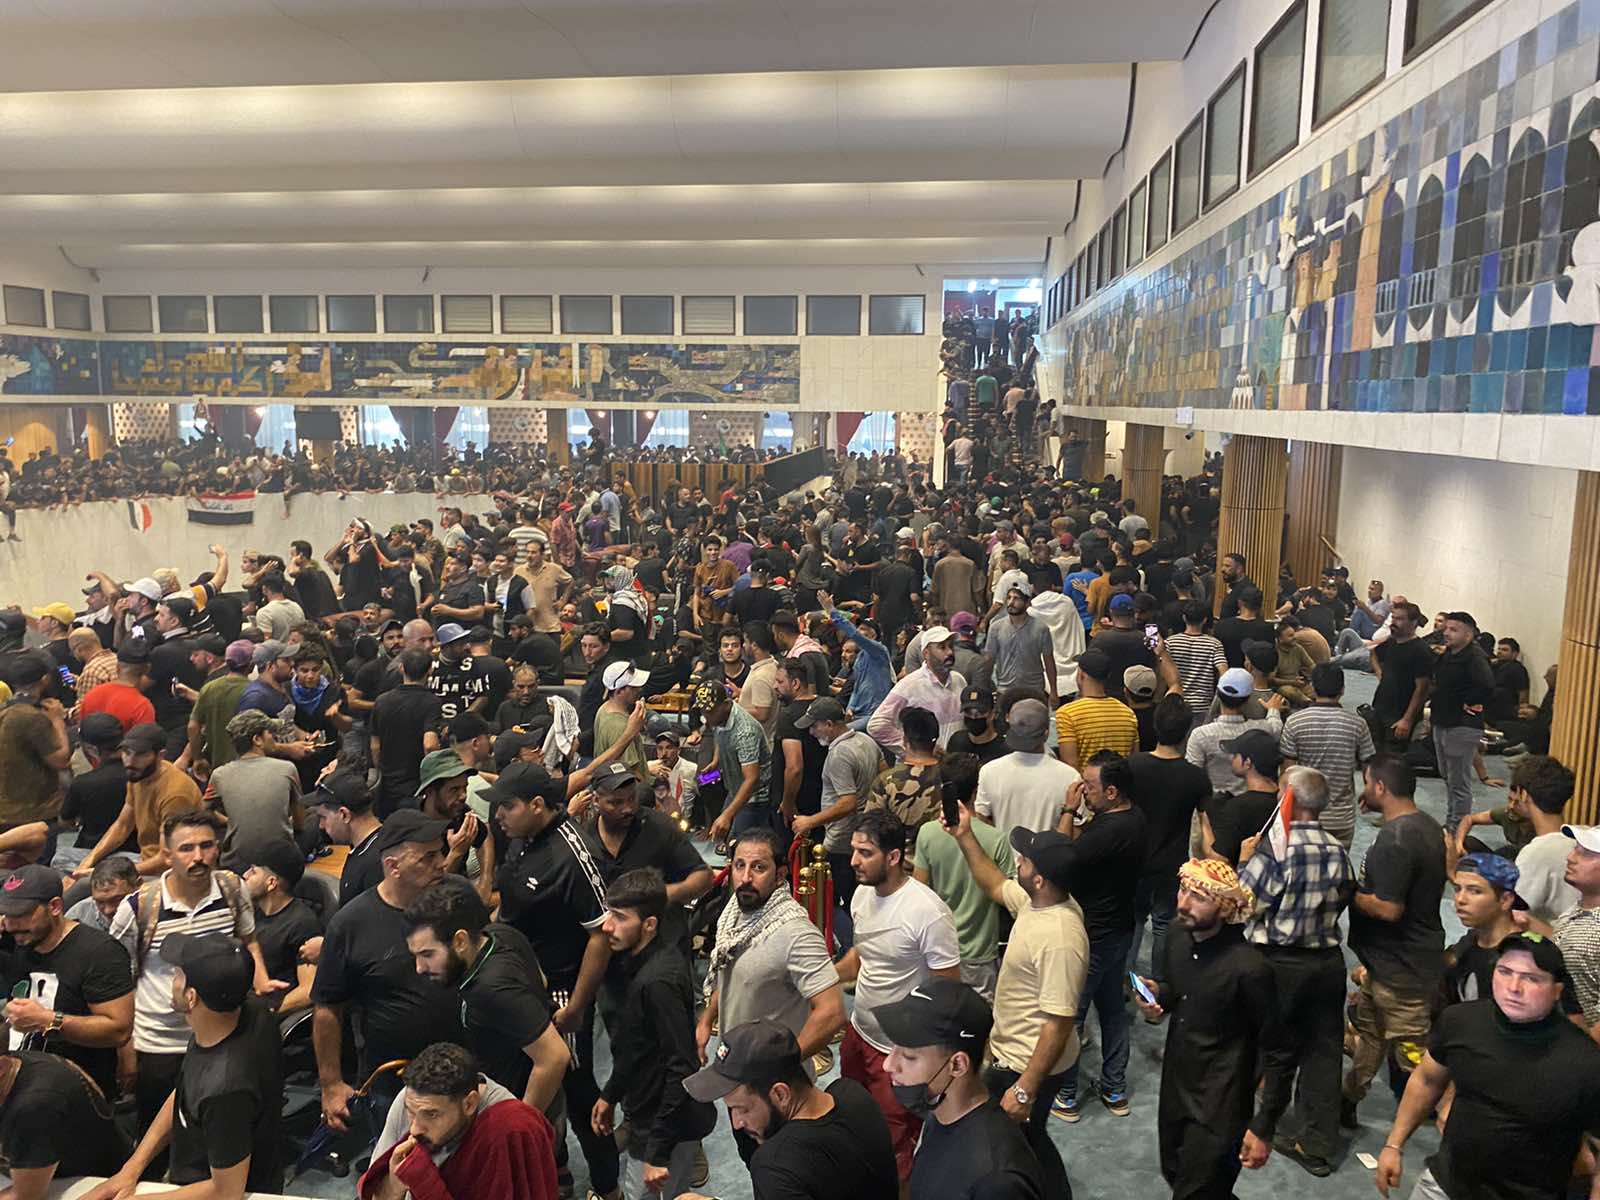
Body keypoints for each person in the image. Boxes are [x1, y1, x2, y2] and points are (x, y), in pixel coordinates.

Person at [482, 761, 620, 1200]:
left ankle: (608, 1188)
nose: (498, 816)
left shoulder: (572, 855)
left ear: (537, 805)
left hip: (561, 989)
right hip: (522, 981)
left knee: (578, 1094)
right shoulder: (520, 838)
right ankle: (554, 1175)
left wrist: (577, 1005)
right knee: (529, 1083)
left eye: (507, 807)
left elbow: (602, 935)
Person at [1375, 935, 1600, 1200]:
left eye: (1531, 978)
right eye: (1505, 972)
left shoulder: (1585, 1062)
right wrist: (1394, 1145)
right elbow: (1427, 1080)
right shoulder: (1461, 1021)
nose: (1513, 987)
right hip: (1445, 1185)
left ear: (1557, 990)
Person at [944, 800, 1085, 1193]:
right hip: (1013, 1054)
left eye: (1025, 860)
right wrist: (964, 834)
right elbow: (993, 883)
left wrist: (1024, 1089)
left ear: (1039, 879)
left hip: (1026, 1063)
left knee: (1018, 1144)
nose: (1018, 861)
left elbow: (1059, 1023)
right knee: (1026, 1139)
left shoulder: (1060, 937)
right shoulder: (1038, 902)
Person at [1131, 858, 1293, 1198]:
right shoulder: (1178, 935)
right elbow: (1179, 991)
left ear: (1225, 908)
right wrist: (1159, 994)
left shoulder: (1250, 969)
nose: (1183, 903)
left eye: (1199, 897)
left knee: (1197, 1191)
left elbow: (1279, 1051)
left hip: (1221, 1104)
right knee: (1175, 1172)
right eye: (1182, 890)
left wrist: (1263, 1126)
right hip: (1176, 1087)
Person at [86, 934, 285, 1200]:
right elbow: (186, 1093)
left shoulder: (225, 1088)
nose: (171, 979)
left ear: (191, 997)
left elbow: (226, 1191)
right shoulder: (245, 1014)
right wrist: (131, 1168)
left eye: (178, 974)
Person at [311, 809, 467, 1135]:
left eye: (440, 852)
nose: (442, 862)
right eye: (427, 857)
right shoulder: (351, 924)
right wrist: (331, 1084)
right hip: (393, 1084)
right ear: (393, 866)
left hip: (464, 1069)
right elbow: (327, 1008)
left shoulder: (458, 898)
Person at [697, 825, 846, 1159]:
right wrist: (707, 1019)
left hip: (778, 1093)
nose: (745, 877)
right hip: (739, 1075)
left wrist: (782, 1065)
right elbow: (728, 972)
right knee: (753, 1160)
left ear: (780, 875)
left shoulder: (795, 933)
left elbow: (832, 1012)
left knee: (782, 1168)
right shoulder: (735, 914)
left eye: (759, 867)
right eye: (739, 865)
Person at [1237, 765, 1355, 1178]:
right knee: (1324, 1051)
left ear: (1288, 798)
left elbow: (1244, 904)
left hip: (1278, 962)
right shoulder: (1337, 849)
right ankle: (1316, 1144)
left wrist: (1244, 861)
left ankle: (1251, 1125)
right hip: (1326, 962)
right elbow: (1344, 894)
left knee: (1265, 1045)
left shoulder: (1276, 851)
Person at [834, 810, 961, 1183]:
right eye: (854, 850)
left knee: (894, 1151)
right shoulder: (862, 895)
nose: (853, 861)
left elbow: (947, 991)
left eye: (865, 853)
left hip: (899, 1053)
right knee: (853, 1122)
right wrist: (822, 979)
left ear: (893, 857)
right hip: (859, 1033)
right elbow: (863, 955)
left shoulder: (928, 913)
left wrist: (923, 1058)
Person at [593, 869, 718, 1200]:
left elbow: (682, 1067)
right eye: (609, 913)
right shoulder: (635, 963)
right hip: (646, 1109)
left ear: (649, 924)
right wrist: (611, 1094)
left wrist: (658, 1152)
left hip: (666, 1124)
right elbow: (636, 1047)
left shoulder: (658, 982)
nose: (607, 926)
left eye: (620, 917)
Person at [403, 876, 570, 1114]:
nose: (419, 967)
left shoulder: (491, 989)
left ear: (460, 941)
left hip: (522, 1103)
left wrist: (521, 1123)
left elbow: (554, 1057)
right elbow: (540, 979)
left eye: (428, 954)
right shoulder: (500, 933)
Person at [681, 1019, 899, 1200]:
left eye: (742, 1109)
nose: (737, 1123)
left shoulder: (774, 1167)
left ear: (780, 1094)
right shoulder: (852, 1093)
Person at [1342, 754, 1446, 1126]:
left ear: (1380, 787)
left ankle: (1438, 1118)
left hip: (1404, 971)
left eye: (1367, 782)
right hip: (1390, 964)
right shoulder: (1427, 825)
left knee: (1414, 1056)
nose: (1364, 790)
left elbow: (1388, 908)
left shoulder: (1396, 838)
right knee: (1370, 1036)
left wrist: (1349, 892)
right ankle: (1347, 1102)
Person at [875, 979, 1045, 1200]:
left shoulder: (996, 1180)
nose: (888, 1064)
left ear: (957, 1065)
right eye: (894, 1048)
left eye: (909, 1056)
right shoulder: (939, 1109)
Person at [1048, 751, 1147, 1121]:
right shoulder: (1134, 817)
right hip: (1120, 928)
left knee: (1071, 1015)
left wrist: (1068, 810)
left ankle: (1067, 1095)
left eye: (1089, 785)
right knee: (1113, 1010)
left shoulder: (1107, 831)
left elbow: (1059, 861)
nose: (1082, 790)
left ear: (1111, 791)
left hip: (1091, 935)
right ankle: (1114, 1088)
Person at [361, 1041, 561, 1200]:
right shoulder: (411, 1099)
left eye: (432, 1115)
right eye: (411, 1113)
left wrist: (424, 1182)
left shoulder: (510, 1130)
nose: (414, 1129)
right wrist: (394, 1183)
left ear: (469, 1104)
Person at [0, 863, 133, 1097]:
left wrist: (48, 1020)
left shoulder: (100, 953)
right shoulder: (20, 938)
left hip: (75, 1092)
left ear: (54, 906)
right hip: (19, 1082)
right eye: (7, 915)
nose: (11, 924)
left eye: (21, 914)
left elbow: (118, 1030)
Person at [1126, 696, 1211, 981]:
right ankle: (1160, 983)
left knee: (1133, 922)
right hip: (1172, 862)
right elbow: (1206, 825)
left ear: (1155, 725)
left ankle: (1124, 981)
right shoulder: (1196, 777)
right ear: (1186, 732)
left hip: (1135, 858)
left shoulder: (1133, 766)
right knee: (1164, 923)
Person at [793, 696, 884, 942]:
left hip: (841, 840)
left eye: (815, 726)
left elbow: (847, 802)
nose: (811, 732)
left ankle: (852, 947)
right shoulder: (866, 740)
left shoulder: (838, 755)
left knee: (834, 903)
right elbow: (884, 776)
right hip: (863, 834)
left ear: (830, 725)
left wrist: (810, 821)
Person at [73, 722, 203, 881]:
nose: (130, 761)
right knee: (64, 861)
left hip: (167, 874)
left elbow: (168, 858)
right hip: (142, 860)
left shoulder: (175, 794)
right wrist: (87, 862)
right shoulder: (138, 775)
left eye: (140, 754)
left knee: (84, 886)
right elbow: (123, 825)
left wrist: (105, 873)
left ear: (160, 755)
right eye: (126, 752)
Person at [0, 1049, 130, 1198]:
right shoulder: (16, 1062)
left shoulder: (35, 1106)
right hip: (43, 1170)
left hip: (93, 1184)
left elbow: (25, 1196)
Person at [1279, 662, 1375, 847]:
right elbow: (1367, 766)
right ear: (1342, 690)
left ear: (1312, 688)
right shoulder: (1358, 724)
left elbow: (1288, 772)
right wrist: (1369, 795)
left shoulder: (1294, 722)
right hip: (1341, 817)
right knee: (1339, 861)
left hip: (1303, 814)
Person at [206, 709, 303, 868]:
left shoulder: (219, 775)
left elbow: (204, 811)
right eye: (269, 733)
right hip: (279, 864)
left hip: (234, 864)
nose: (274, 737)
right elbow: (300, 823)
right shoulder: (287, 769)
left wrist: (231, 822)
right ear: (257, 740)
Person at [973, 697, 1080, 835]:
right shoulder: (1070, 777)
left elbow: (981, 817)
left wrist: (1001, 839)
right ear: (1046, 734)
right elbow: (1077, 828)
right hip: (1052, 849)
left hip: (1004, 849)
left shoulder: (989, 771)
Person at [1430, 611, 1495, 828]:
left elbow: (1487, 685)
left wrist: (1468, 702)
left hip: (1461, 725)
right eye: (1447, 628)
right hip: (1442, 721)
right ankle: (1451, 822)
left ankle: (1457, 828)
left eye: (1453, 630)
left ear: (1468, 635)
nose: (1446, 633)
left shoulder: (1475, 658)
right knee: (1448, 776)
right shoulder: (1449, 654)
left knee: (1458, 782)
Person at [241, 840, 320, 1013]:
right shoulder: (251, 913)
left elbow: (308, 990)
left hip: (269, 1010)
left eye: (253, 871)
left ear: (271, 883)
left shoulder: (302, 924)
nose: (245, 875)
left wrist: (265, 1012)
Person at [693, 680, 775, 843]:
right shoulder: (718, 717)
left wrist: (727, 816)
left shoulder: (745, 732)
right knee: (701, 781)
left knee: (736, 842)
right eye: (702, 710)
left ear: (725, 705)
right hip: (734, 786)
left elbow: (751, 779)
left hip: (754, 795)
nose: (705, 716)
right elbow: (720, 732)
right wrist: (716, 761)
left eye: (709, 711)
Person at [1184, 668, 1283, 795]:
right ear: (1248, 699)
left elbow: (1192, 775)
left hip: (1213, 802)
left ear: (1218, 694)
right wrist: (1273, 710)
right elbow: (1276, 728)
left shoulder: (1200, 735)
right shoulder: (1261, 729)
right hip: (1250, 800)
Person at [370, 647, 444, 815]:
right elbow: (430, 745)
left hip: (387, 787)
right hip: (415, 787)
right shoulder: (431, 702)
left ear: (401, 668)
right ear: (430, 670)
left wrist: (382, 770)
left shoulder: (381, 701)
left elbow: (375, 746)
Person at [867, 625, 966, 752]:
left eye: (951, 646)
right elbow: (876, 725)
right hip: (924, 761)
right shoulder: (910, 685)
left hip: (953, 760)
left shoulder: (959, 680)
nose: (950, 652)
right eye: (942, 647)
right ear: (926, 653)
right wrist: (914, 747)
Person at [1511, 754, 1581, 923]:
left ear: (1524, 794)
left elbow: (1514, 915)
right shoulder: (1581, 841)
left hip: (1554, 937)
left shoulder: (1537, 853)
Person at [1202, 728, 1282, 867]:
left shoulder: (1239, 807)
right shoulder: (1283, 800)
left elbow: (1217, 860)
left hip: (1244, 878)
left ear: (1247, 763)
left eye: (1235, 755)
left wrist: (1204, 824)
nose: (1232, 759)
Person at [309, 769, 388, 906]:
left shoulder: (374, 867)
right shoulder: (374, 845)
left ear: (344, 815)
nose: (321, 826)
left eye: (323, 817)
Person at [1053, 646, 1137, 768]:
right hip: (1119, 779)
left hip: (1085, 780)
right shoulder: (1128, 713)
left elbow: (1070, 765)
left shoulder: (1067, 714)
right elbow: (1133, 761)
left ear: (1081, 675)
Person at [1367, 600, 1433, 753]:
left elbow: (1422, 689)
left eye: (1400, 619)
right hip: (1381, 708)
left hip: (1400, 714)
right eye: (1393, 618)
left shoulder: (1420, 651)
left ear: (1414, 623)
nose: (1394, 622)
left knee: (1393, 758)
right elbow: (1373, 653)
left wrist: (1407, 719)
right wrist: (1380, 674)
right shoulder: (1392, 643)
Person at [985, 580, 1057, 705]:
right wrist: (985, 687)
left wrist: (1054, 691)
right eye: (1009, 598)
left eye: (1016, 598)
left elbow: (1049, 661)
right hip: (1005, 690)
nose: (1011, 602)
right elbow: (989, 660)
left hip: (1033, 690)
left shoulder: (1041, 629)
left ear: (1027, 603)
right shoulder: (996, 628)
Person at [945, 685, 1008, 767]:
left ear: (993, 714)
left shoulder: (1004, 749)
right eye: (968, 712)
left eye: (980, 712)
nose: (973, 717)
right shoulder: (956, 741)